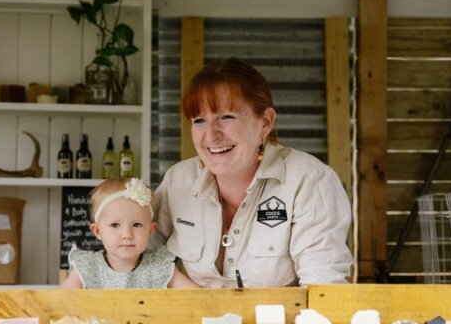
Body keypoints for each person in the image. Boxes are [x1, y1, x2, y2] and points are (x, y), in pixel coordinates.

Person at [151, 57, 353, 287]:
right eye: (199, 120)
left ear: (265, 123)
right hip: (194, 320)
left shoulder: (309, 181)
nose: (211, 135)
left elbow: (323, 289)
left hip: (278, 322)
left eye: (226, 117)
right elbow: (134, 256)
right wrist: (186, 291)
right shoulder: (178, 181)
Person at [60, 177, 199, 289]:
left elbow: (196, 298)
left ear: (151, 230)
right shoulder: (86, 268)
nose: (127, 235)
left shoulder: (160, 266)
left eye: (137, 225)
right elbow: (58, 301)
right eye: (115, 225)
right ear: (98, 231)